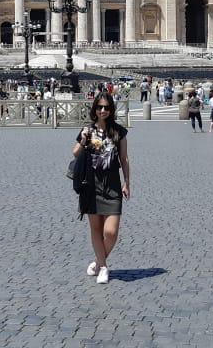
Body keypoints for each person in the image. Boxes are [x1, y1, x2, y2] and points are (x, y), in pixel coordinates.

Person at [72, 93, 132, 284]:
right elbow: (75, 153)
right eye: (99, 107)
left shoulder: (119, 132)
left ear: (111, 109)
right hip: (91, 185)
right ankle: (104, 268)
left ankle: (98, 262)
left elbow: (124, 159)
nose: (103, 111)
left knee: (111, 232)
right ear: (94, 109)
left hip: (113, 185)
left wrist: (127, 182)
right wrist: (83, 140)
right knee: (96, 230)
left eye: (106, 107)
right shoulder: (87, 130)